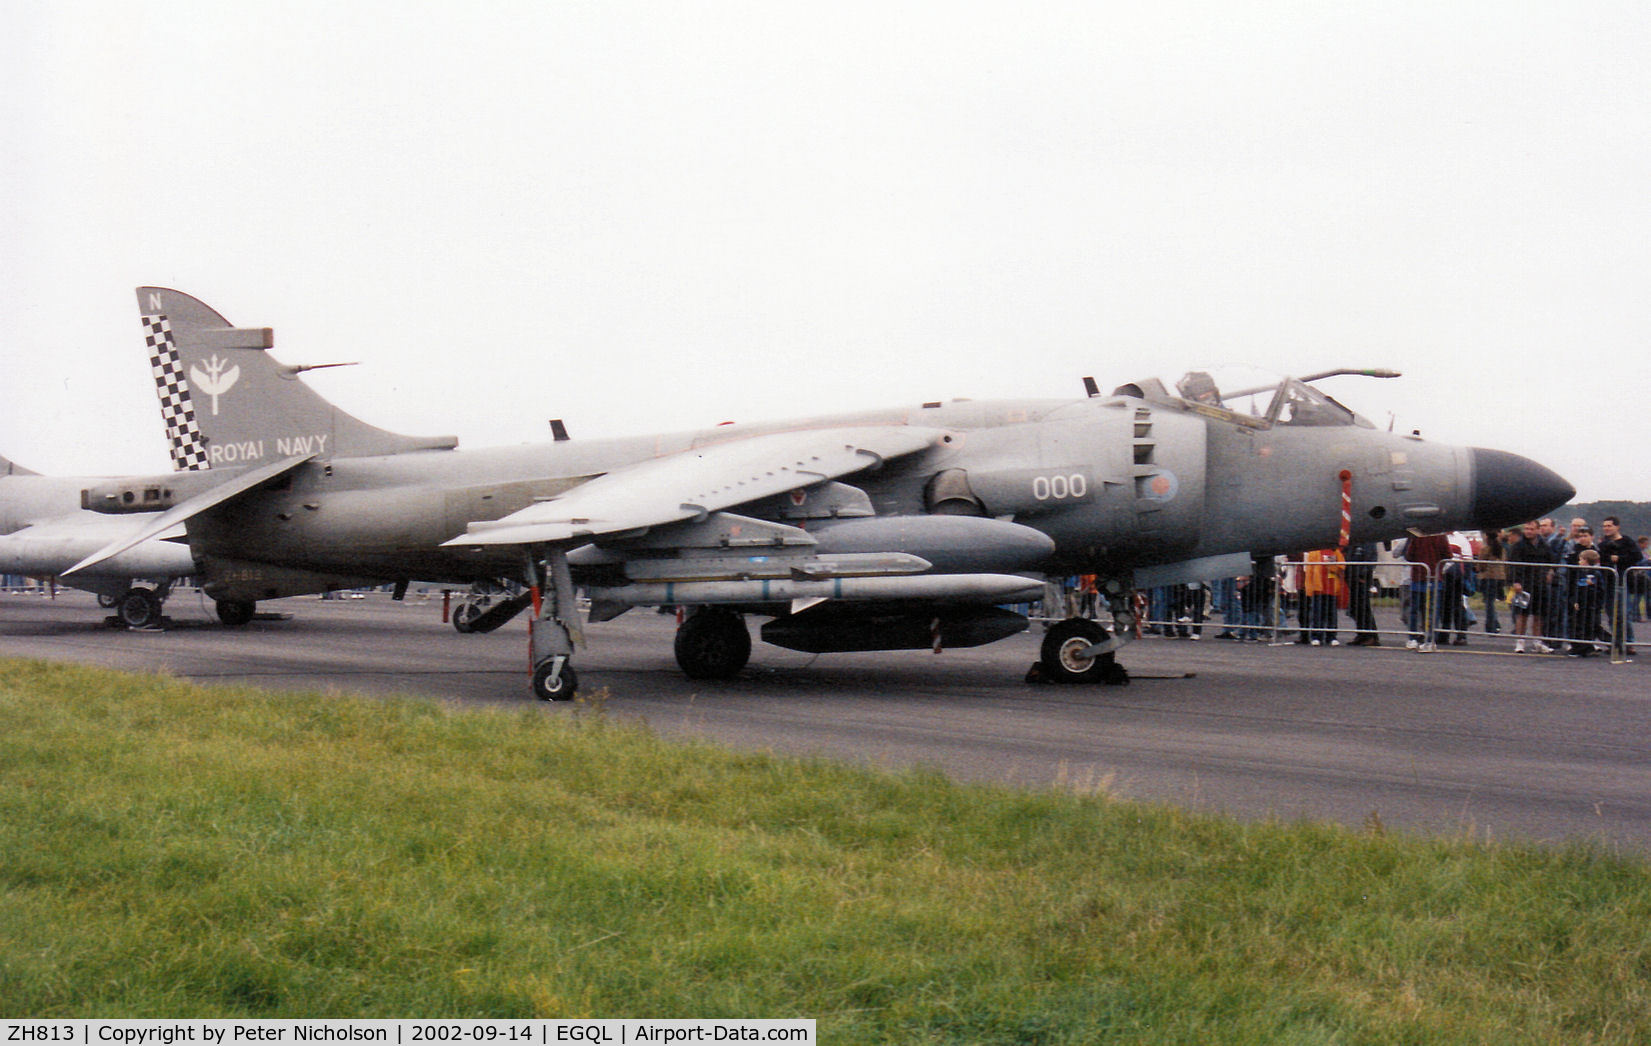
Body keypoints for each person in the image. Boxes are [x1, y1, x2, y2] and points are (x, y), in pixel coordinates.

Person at [1507, 521, 1558, 654]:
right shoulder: (1518, 546)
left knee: (1538, 615)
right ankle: (1520, 642)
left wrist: (1551, 571)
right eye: (1526, 529)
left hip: (1540, 584)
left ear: (1537, 530)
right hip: (1523, 584)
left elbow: (1553, 560)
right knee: (1522, 615)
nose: (1528, 531)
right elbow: (1511, 565)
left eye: (1531, 529)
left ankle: (1537, 642)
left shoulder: (1544, 545)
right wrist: (1515, 582)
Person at [1598, 516, 1641, 655]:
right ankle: (1616, 642)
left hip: (1622, 581)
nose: (1606, 528)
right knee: (1612, 614)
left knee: (1623, 614)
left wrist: (1620, 558)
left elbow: (1637, 556)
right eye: (1604, 526)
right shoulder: (1603, 544)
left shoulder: (1627, 541)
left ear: (1617, 527)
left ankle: (1629, 642)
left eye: (1609, 526)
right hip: (1608, 582)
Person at [1401, 531, 1451, 649]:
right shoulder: (1441, 536)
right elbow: (1448, 555)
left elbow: (1409, 556)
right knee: (1432, 611)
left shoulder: (1417, 536)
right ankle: (1430, 639)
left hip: (1417, 577)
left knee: (1414, 610)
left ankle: (1413, 638)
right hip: (1434, 578)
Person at [1568, 549, 1612, 656]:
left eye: (1581, 560)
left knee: (1593, 626)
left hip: (1592, 605)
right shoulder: (1580, 572)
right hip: (1582, 604)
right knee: (1581, 626)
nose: (1579, 562)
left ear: (1587, 561)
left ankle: (1613, 643)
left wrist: (1596, 602)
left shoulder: (1595, 573)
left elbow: (1598, 590)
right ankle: (1583, 647)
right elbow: (1577, 588)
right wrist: (1575, 601)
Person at [1301, 548, 1346, 646]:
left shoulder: (1335, 552)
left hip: (1331, 587)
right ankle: (1316, 636)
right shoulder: (1313, 553)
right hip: (1318, 588)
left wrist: (1332, 565)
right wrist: (1309, 588)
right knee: (1317, 613)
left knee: (1331, 613)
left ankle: (1331, 636)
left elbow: (1341, 567)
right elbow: (1309, 571)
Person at [1344, 540, 1381, 646]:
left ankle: (1371, 635)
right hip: (1352, 573)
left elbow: (1370, 557)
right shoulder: (1354, 540)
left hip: (1361, 575)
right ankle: (1361, 634)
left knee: (1363, 607)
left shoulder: (1368, 541)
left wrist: (1363, 573)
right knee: (1355, 608)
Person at [1474, 529, 1507, 636]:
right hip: (1500, 578)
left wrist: (1477, 568)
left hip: (1488, 577)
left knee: (1489, 603)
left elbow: (1481, 565)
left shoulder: (1485, 549)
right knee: (1492, 602)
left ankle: (1491, 626)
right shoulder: (1501, 549)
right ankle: (1495, 624)